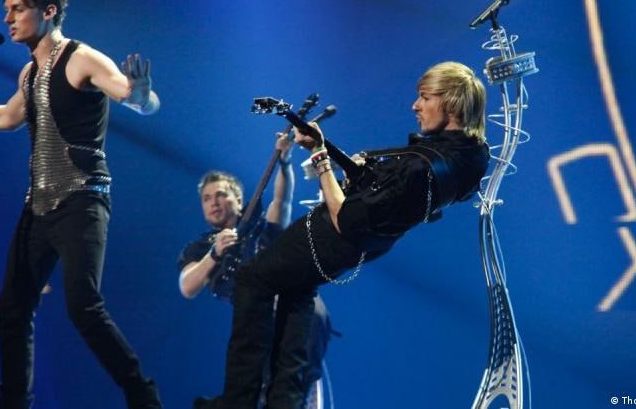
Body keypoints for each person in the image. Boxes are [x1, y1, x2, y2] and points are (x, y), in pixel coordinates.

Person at [0, 0, 162, 409]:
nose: (8, 19)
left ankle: (144, 398)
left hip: (82, 198)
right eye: (7, 10)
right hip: (39, 206)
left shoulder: (82, 58)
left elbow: (132, 96)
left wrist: (142, 96)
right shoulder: (29, 73)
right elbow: (7, 117)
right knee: (12, 308)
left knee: (83, 306)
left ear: (48, 11)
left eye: (17, 9)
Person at [195, 61, 491, 409]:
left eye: (425, 97)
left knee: (251, 280)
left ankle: (237, 401)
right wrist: (362, 174)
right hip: (364, 247)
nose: (415, 106)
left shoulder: (418, 166)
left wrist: (320, 157)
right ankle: (284, 401)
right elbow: (395, 199)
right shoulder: (471, 157)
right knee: (296, 289)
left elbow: (347, 218)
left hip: (329, 237)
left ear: (452, 103)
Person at [177, 136, 331, 409]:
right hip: (253, 323)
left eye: (221, 195)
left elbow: (282, 200)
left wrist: (284, 161)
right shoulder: (200, 248)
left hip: (287, 308)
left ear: (238, 200)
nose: (213, 202)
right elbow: (187, 286)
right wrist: (214, 254)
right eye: (206, 198)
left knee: (293, 367)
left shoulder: (261, 227)